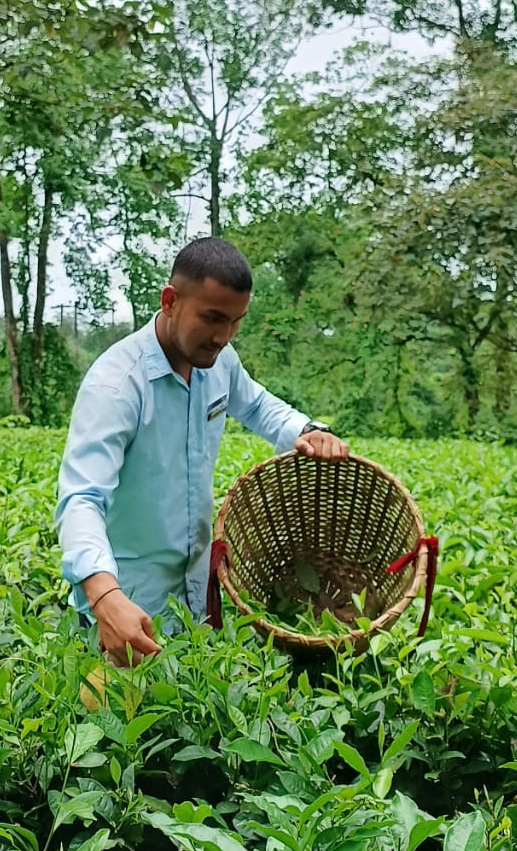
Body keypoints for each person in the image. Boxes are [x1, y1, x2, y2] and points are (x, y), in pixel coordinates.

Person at [55, 237, 348, 664]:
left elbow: (257, 404)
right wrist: (105, 597)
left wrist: (306, 430)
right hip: (126, 607)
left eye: (235, 322)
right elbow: (81, 499)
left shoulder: (219, 362)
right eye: (212, 318)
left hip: (194, 598)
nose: (223, 336)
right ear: (170, 300)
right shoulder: (117, 386)